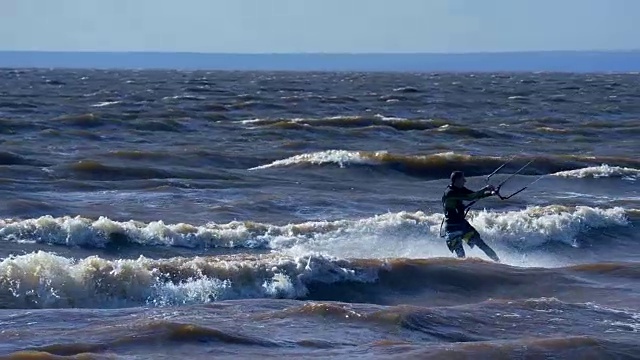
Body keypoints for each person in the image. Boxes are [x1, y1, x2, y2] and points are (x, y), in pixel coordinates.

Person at [441, 170, 500, 262]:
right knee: (461, 256)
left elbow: (474, 195)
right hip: (452, 229)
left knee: (481, 244)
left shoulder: (460, 189)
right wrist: (486, 189)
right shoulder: (450, 192)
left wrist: (491, 193)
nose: (465, 181)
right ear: (456, 180)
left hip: (462, 225)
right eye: (462, 179)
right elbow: (470, 197)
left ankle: (498, 262)